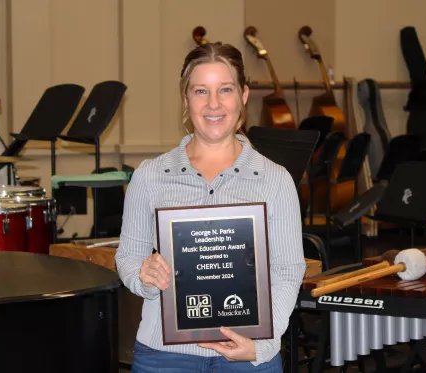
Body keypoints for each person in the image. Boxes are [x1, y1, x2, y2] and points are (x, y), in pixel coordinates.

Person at [115, 42, 305, 372]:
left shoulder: (276, 180)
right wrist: (142, 275)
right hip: (164, 356)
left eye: (225, 90)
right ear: (185, 100)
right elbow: (128, 257)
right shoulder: (150, 175)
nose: (213, 104)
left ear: (243, 96)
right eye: (201, 91)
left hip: (248, 356)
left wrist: (262, 345)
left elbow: (289, 271)